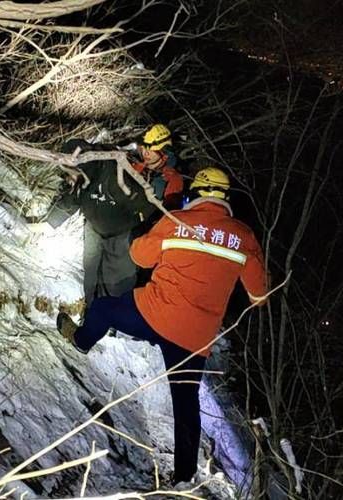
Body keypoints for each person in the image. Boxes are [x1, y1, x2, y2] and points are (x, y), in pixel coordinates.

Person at [56, 166, 269, 484]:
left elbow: (139, 256)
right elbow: (260, 295)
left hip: (152, 313)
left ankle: (82, 339)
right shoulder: (243, 236)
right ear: (225, 198)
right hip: (194, 338)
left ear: (195, 193)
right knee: (185, 403)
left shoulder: (176, 221)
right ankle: (184, 477)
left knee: (102, 307)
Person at [43, 124, 183, 304]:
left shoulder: (170, 179)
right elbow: (86, 184)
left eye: (152, 149)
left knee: (117, 283)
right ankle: (91, 310)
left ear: (164, 151)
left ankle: (112, 323)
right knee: (92, 272)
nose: (146, 152)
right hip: (96, 227)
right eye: (144, 147)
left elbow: (167, 217)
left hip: (126, 234)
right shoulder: (127, 161)